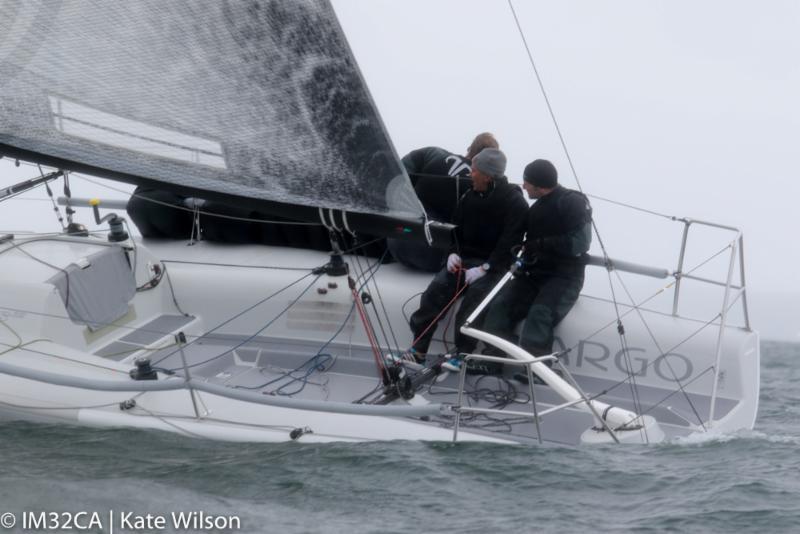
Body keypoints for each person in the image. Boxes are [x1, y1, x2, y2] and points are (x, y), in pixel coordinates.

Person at [403, 147, 528, 363]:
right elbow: (456, 231)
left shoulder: (514, 202)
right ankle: (418, 349)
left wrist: (485, 268)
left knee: (472, 305)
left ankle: (461, 354)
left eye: (475, 170)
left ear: (488, 176)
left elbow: (510, 242)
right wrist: (452, 253)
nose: (470, 173)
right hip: (464, 260)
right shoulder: (469, 196)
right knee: (434, 294)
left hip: (492, 267)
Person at [481, 159, 592, 371]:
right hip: (535, 272)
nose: (523, 186)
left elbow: (580, 243)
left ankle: (538, 371)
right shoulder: (536, 209)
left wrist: (541, 244)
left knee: (540, 314)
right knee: (500, 306)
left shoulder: (572, 202)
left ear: (539, 185)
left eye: (527, 183)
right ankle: (492, 361)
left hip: (565, 276)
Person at [387, 133, 499, 272]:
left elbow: (393, 175)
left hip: (397, 237)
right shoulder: (488, 185)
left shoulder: (433, 153)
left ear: (470, 148)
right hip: (436, 254)